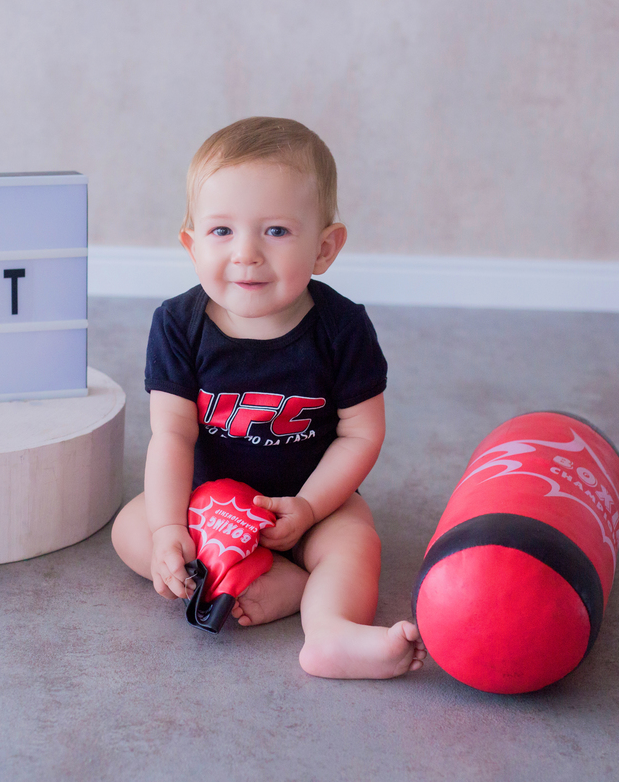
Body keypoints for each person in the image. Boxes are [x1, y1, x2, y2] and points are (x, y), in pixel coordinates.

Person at [111, 116, 425, 679]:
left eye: (276, 231)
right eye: (222, 232)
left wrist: (308, 508)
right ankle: (258, 577)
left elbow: (361, 433)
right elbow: (173, 434)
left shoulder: (341, 328)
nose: (246, 254)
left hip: (308, 497)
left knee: (354, 542)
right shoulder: (179, 324)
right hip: (208, 503)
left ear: (325, 247)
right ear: (191, 244)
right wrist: (167, 531)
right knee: (131, 528)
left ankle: (328, 628)